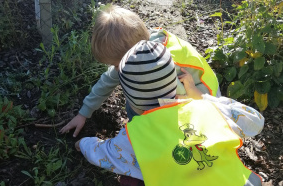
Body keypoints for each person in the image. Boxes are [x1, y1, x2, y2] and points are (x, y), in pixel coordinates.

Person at [74, 41, 264, 186]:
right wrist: (201, 97)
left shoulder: (134, 136)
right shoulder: (208, 108)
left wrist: (82, 144)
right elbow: (255, 121)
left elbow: (104, 154)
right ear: (175, 83)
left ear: (132, 101)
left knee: (128, 180)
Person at [59, 4, 220, 137]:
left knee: (139, 102)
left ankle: (144, 135)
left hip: (203, 96)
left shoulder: (163, 66)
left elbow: (181, 104)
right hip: (181, 92)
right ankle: (142, 130)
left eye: (116, 65)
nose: (115, 70)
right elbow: (107, 81)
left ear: (129, 56)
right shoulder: (138, 50)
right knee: (137, 96)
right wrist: (83, 113)